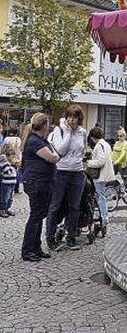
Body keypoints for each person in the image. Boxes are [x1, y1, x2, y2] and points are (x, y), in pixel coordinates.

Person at [46, 104, 88, 251]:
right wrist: (69, 132)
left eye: (75, 117)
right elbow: (61, 150)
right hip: (61, 171)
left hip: (77, 172)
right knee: (55, 205)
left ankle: (71, 237)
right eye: (69, 116)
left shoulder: (83, 132)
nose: (71, 120)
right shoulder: (59, 130)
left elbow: (83, 149)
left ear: (79, 118)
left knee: (74, 206)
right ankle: (50, 238)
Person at [20, 113, 59, 262]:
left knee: (39, 215)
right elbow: (52, 157)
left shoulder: (38, 140)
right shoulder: (35, 141)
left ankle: (35, 247)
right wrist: (56, 156)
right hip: (37, 183)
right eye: (48, 125)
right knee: (36, 216)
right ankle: (28, 250)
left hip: (41, 182)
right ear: (44, 126)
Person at [86, 126, 116, 234]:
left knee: (100, 196)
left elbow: (100, 161)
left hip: (100, 175)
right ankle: (100, 215)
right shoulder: (106, 144)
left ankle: (104, 217)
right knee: (99, 195)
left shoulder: (99, 146)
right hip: (106, 174)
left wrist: (88, 163)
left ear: (93, 137)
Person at [0, 144, 18, 217]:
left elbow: (15, 172)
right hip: (6, 183)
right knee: (5, 197)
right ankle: (2, 209)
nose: (13, 157)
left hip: (12, 183)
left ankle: (7, 208)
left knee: (10, 198)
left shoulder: (10, 164)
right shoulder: (4, 163)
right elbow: (8, 171)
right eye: (12, 156)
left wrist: (15, 166)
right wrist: (12, 165)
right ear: (7, 156)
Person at [2, 128, 22, 193]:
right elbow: (19, 149)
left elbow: (3, 147)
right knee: (15, 172)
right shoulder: (18, 139)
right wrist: (19, 158)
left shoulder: (6, 138)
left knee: (7, 171)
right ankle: (16, 188)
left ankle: (8, 184)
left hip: (7, 156)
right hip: (15, 157)